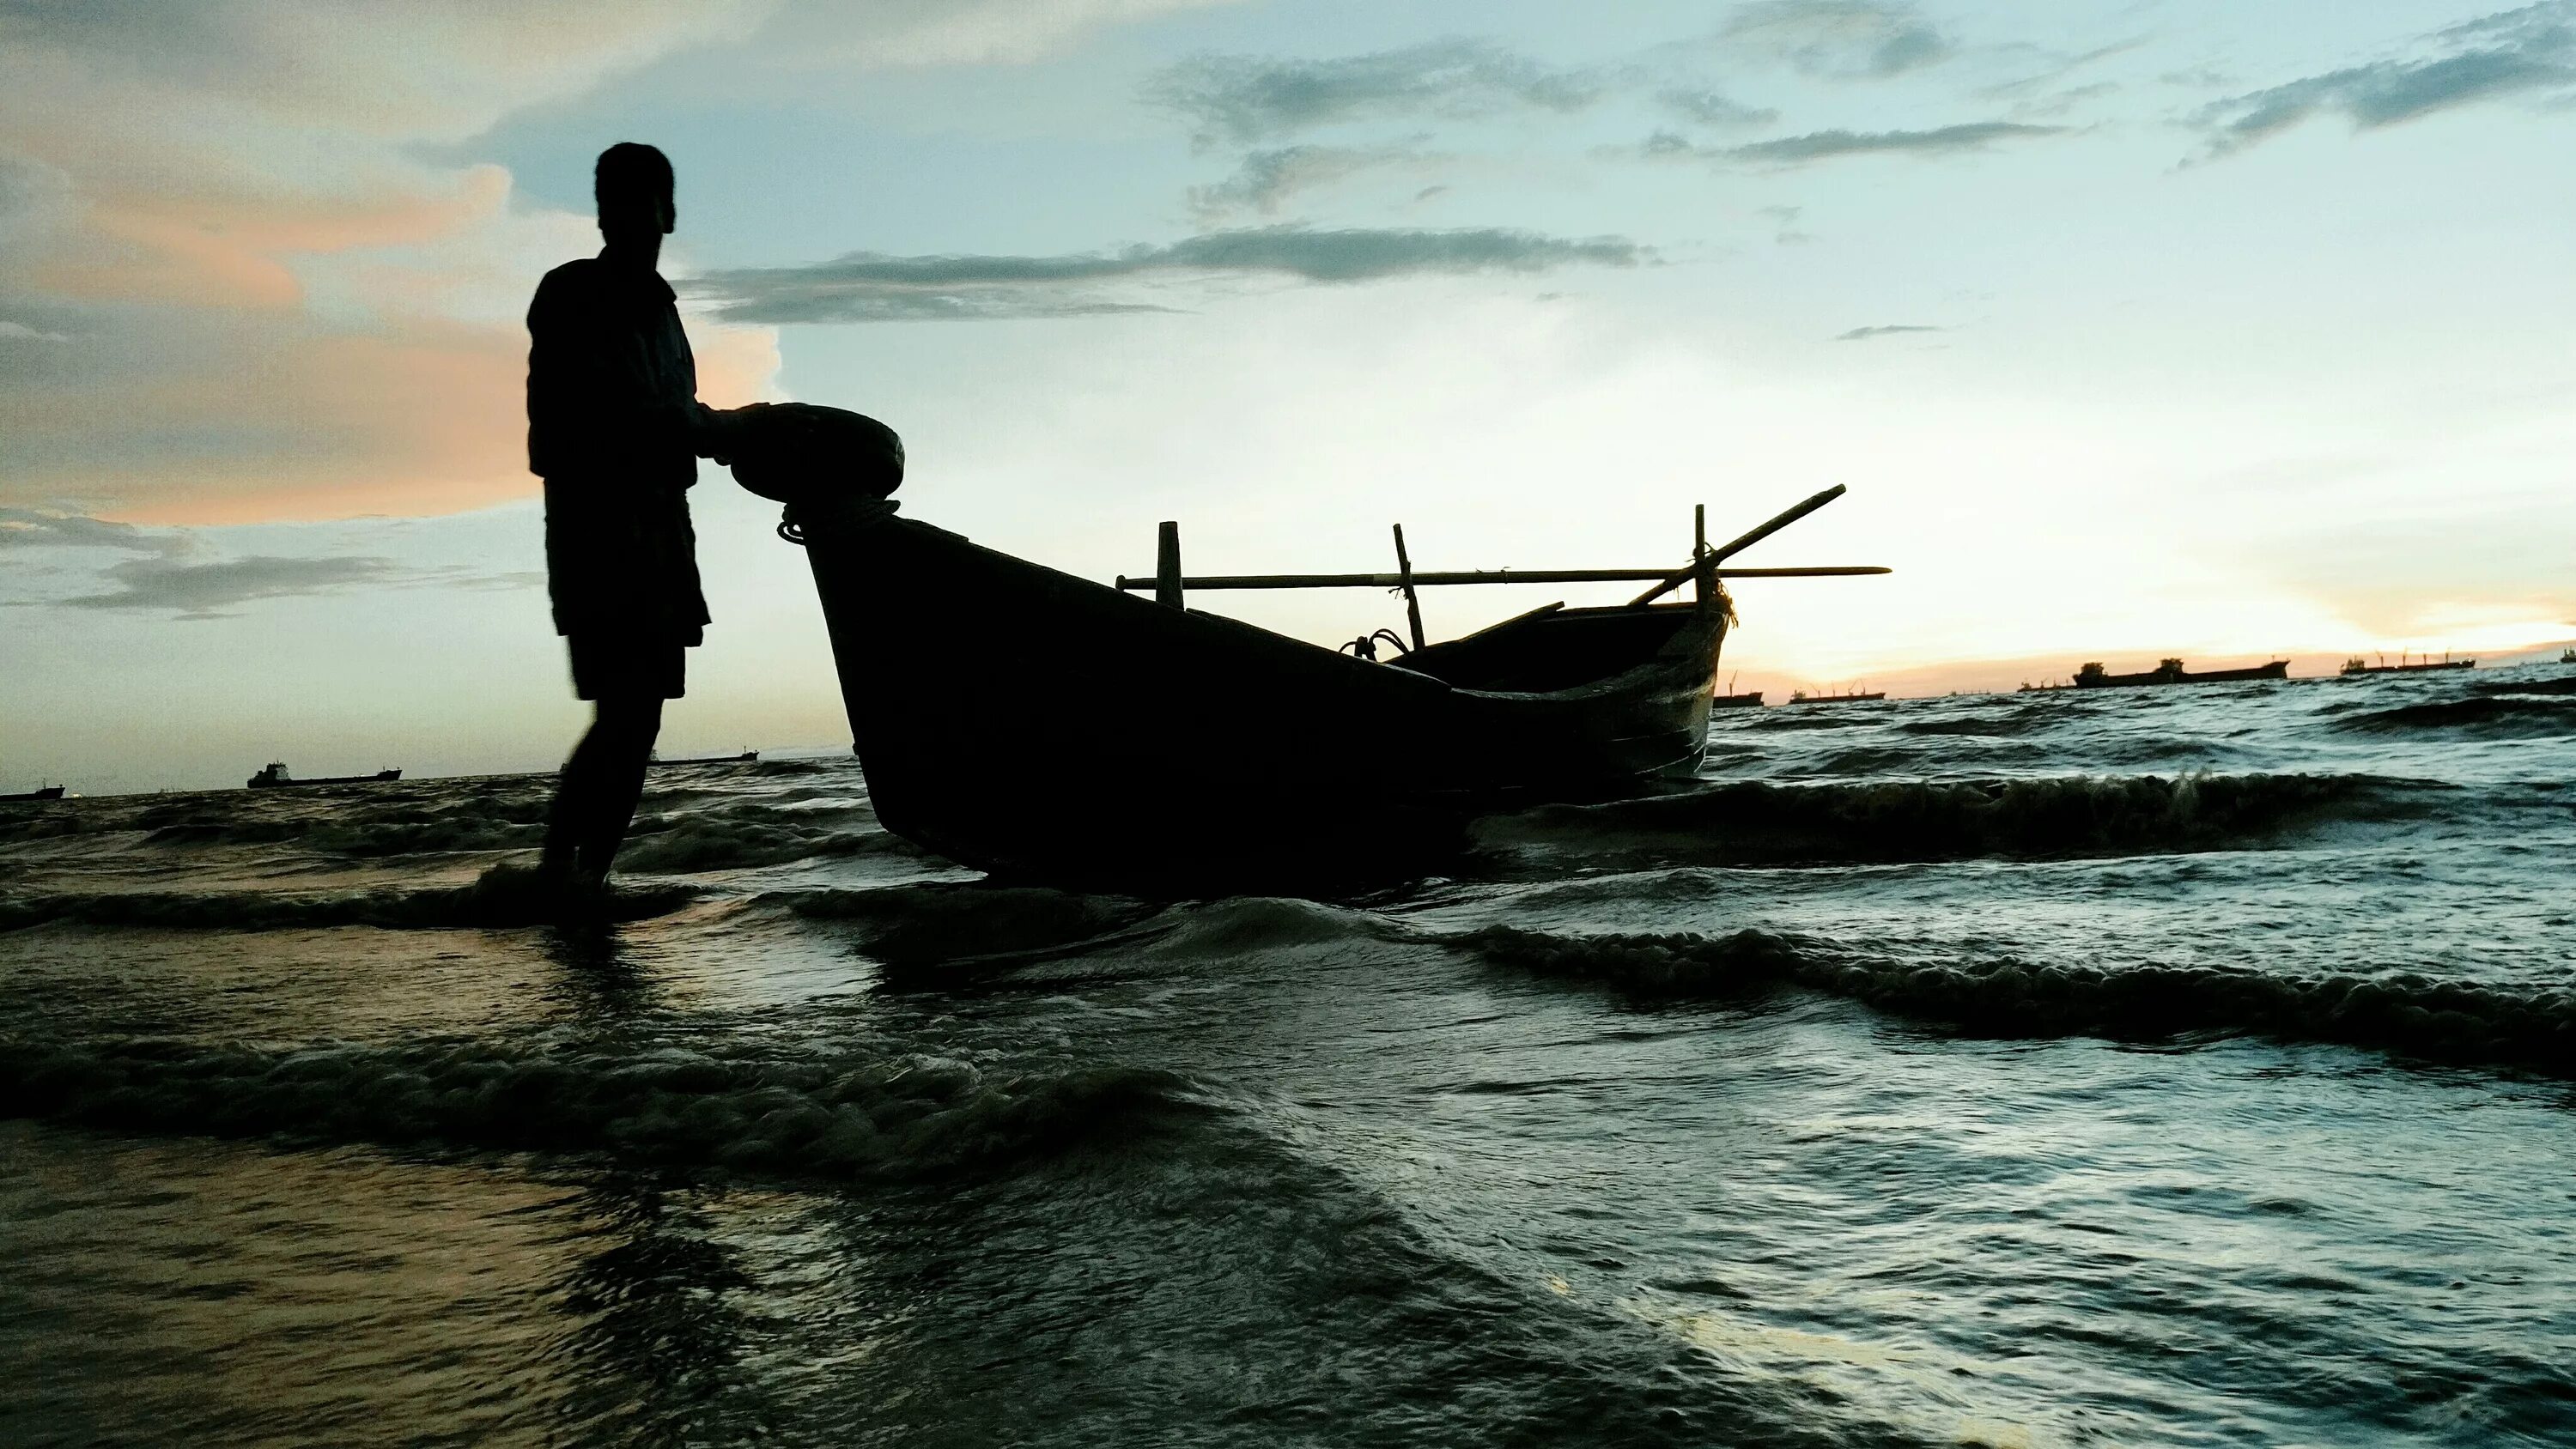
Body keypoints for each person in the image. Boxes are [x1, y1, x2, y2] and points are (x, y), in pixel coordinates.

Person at [526, 142, 757, 891]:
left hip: (659, 533)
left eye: (641, 198)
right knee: (624, 712)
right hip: (600, 535)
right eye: (613, 199)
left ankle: (586, 878)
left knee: (641, 717)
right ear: (600, 212)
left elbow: (673, 414)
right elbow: (609, 416)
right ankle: (561, 874)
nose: (627, 214)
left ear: (669, 210)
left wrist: (713, 430)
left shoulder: (664, 312)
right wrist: (717, 430)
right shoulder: (570, 295)